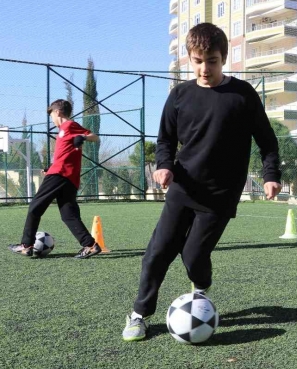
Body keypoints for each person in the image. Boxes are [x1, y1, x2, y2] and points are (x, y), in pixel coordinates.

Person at [122, 23, 282, 342]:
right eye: (198, 60)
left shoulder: (242, 95)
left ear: (224, 59)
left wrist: (271, 176)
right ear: (189, 59)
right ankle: (139, 314)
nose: (205, 68)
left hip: (220, 194)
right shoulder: (180, 95)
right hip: (184, 186)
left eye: (212, 60)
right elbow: (165, 139)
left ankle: (201, 287)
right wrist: (164, 166)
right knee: (159, 250)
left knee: (194, 255)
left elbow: (267, 141)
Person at [8, 99, 102, 259]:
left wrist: (84, 137)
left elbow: (95, 137)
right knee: (68, 215)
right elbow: (64, 155)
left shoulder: (69, 125)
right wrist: (50, 168)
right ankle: (90, 245)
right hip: (66, 176)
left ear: (57, 112)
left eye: (51, 114)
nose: (51, 118)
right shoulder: (63, 131)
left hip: (60, 174)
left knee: (35, 207)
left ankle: (26, 245)